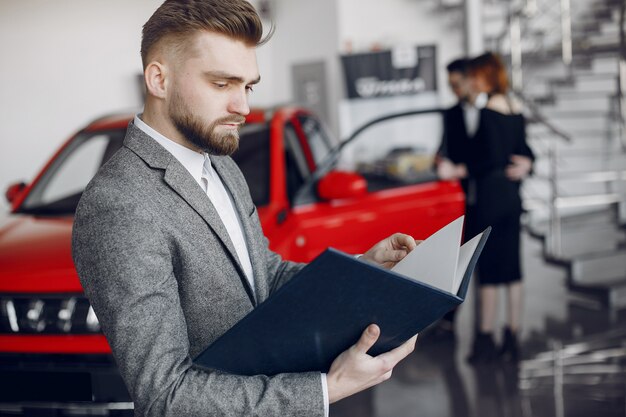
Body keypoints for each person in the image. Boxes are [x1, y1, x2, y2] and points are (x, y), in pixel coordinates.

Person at [71, 1, 418, 415]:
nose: (244, 107)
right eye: (222, 84)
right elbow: (165, 396)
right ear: (158, 79)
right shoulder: (119, 206)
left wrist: (363, 270)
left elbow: (263, 277)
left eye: (247, 86)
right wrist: (327, 389)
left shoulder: (221, 165)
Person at [435, 52, 534, 363]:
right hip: (511, 196)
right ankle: (514, 335)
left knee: (489, 271)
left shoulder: (488, 111)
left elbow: (486, 159)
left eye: (475, 75)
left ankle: (485, 339)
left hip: (488, 197)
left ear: (484, 76)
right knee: (513, 269)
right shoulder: (516, 109)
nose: (472, 81)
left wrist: (456, 170)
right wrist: (525, 163)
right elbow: (519, 151)